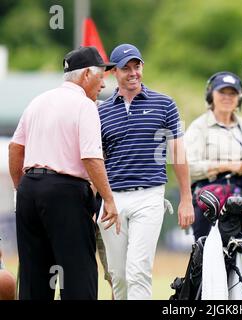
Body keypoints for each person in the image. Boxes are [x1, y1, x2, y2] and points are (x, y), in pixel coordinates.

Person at [8, 46, 120, 300]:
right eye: (101, 75)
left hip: (29, 192)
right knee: (78, 276)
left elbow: (15, 148)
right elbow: (91, 157)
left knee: (34, 280)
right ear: (86, 76)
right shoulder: (85, 105)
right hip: (65, 193)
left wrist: (22, 187)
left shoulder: (38, 101)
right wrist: (109, 199)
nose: (104, 83)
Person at [97, 43, 194, 300]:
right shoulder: (101, 111)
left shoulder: (165, 104)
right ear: (113, 73)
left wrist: (186, 198)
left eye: (136, 66)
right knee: (117, 274)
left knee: (137, 271)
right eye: (125, 68)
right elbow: (97, 160)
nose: (133, 73)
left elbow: (178, 153)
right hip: (113, 199)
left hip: (149, 195)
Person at [184, 71, 242, 241]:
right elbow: (189, 168)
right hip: (208, 198)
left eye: (232, 93)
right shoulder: (199, 127)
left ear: (239, 97)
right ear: (211, 95)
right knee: (205, 253)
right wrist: (226, 166)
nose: (227, 97)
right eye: (222, 92)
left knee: (238, 255)